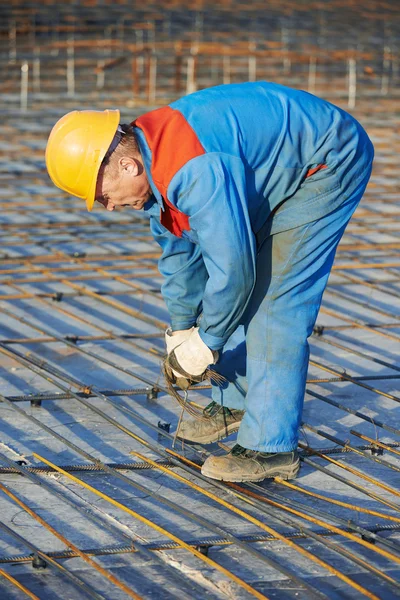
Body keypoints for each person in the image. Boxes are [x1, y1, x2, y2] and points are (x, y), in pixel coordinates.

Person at [46, 81, 374, 483]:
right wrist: (182, 328)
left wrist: (208, 342)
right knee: (241, 282)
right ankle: (237, 401)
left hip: (326, 161)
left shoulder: (191, 169)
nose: (110, 206)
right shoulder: (152, 158)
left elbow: (234, 270)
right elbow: (179, 253)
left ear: (127, 166)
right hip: (277, 165)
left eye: (103, 196)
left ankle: (270, 447)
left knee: (274, 299)